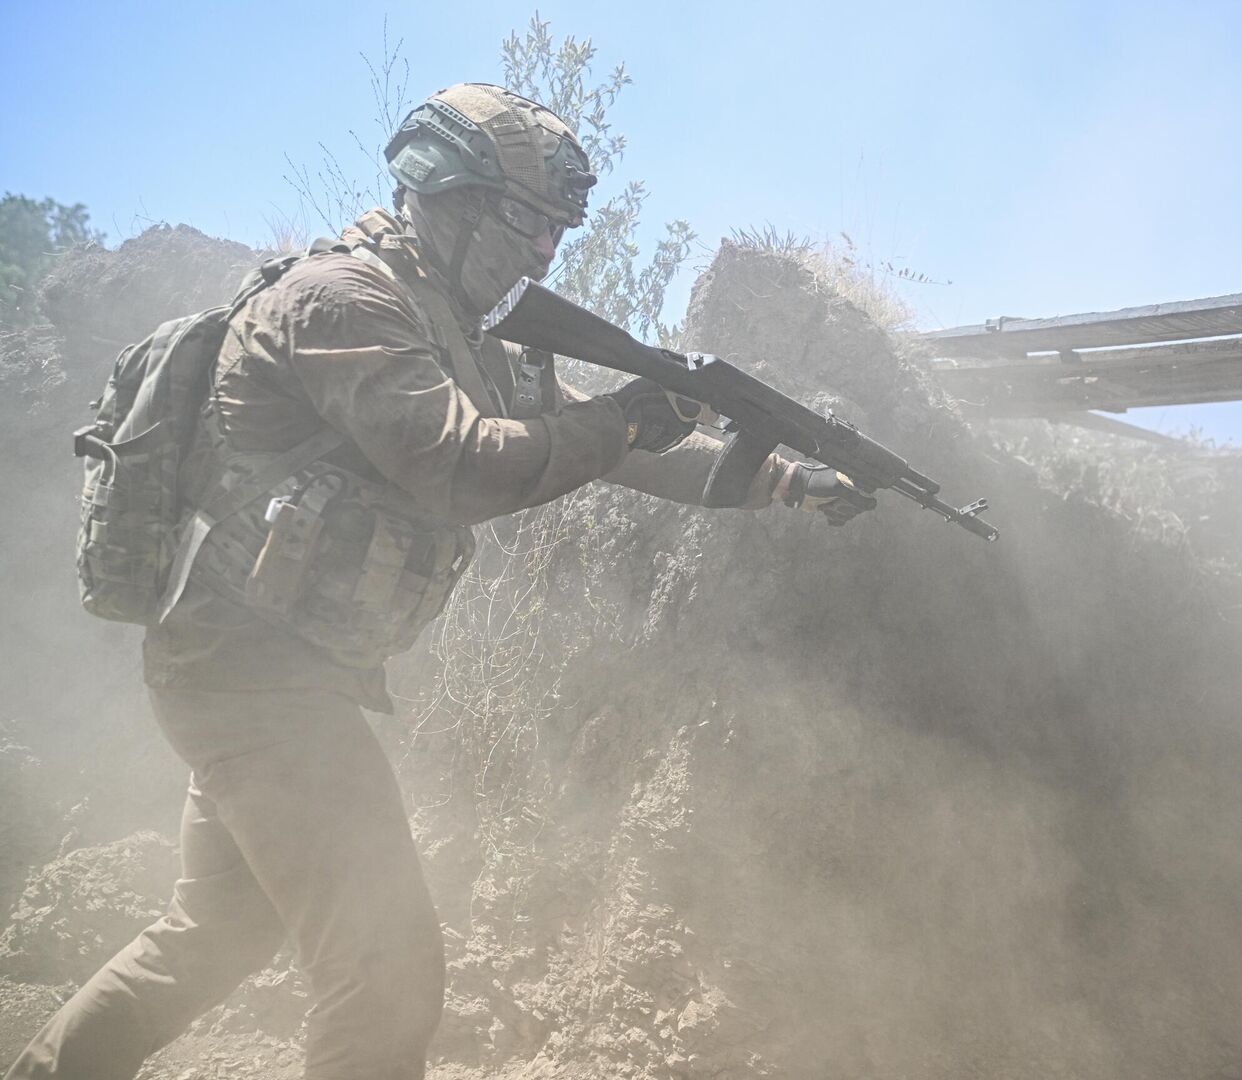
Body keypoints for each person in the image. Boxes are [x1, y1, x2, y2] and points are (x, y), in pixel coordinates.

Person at [6, 82, 873, 1080]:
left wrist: (783, 480)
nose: (545, 250)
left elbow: (619, 448)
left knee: (214, 935)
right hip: (252, 677)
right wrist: (624, 418)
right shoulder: (343, 302)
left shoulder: (460, 328)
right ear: (448, 198)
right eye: (526, 222)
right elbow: (463, 468)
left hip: (270, 671)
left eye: (557, 230)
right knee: (386, 975)